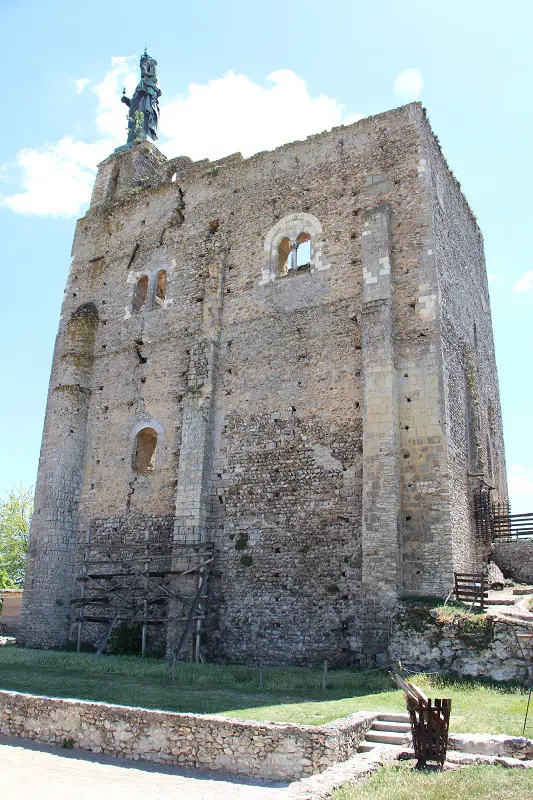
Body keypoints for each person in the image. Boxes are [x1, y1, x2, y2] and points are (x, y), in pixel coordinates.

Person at [121, 50, 162, 143]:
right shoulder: (141, 83)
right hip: (138, 109)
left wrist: (150, 86)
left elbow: (158, 92)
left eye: (144, 67)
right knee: (136, 123)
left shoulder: (153, 80)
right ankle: (135, 139)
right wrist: (127, 100)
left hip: (147, 106)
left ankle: (143, 137)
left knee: (144, 121)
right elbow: (134, 101)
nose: (142, 70)